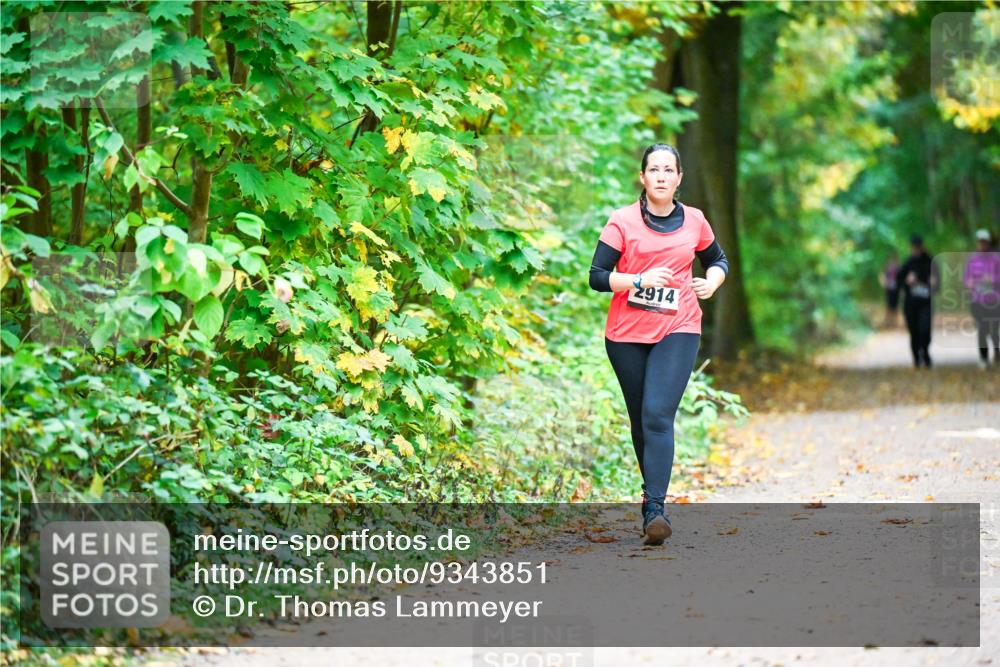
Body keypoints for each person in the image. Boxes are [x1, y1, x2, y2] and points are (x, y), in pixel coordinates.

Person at [589, 143, 729, 546]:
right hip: (626, 335)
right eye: (655, 170)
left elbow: (718, 260)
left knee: (656, 415)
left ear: (679, 178)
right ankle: (651, 500)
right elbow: (597, 276)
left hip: (679, 326)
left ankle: (655, 509)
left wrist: (712, 282)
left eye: (670, 170)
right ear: (643, 177)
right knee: (640, 421)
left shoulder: (696, 221)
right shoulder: (622, 222)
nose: (662, 176)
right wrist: (637, 280)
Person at [896, 235, 939, 368]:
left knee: (925, 330)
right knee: (913, 331)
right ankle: (916, 357)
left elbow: (938, 284)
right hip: (911, 304)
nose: (916, 249)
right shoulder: (908, 263)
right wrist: (906, 281)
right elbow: (898, 281)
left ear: (921, 246)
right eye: (914, 247)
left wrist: (933, 283)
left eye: (918, 247)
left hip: (926, 303)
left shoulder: (930, 262)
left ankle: (925, 352)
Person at [963, 229, 1000, 369]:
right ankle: (983, 358)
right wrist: (969, 283)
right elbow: (966, 278)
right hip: (977, 300)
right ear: (977, 242)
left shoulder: (996, 259)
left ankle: (997, 350)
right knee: (982, 328)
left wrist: (993, 280)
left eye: (985, 241)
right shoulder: (972, 259)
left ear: (988, 242)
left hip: (994, 300)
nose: (982, 244)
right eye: (980, 241)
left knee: (994, 329)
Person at [878, 252, 901, 329]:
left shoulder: (899, 267)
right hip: (889, 288)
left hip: (896, 289)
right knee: (889, 305)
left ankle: (895, 322)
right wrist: (883, 282)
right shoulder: (887, 267)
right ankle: (888, 322)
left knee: (895, 305)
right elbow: (882, 275)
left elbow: (901, 277)